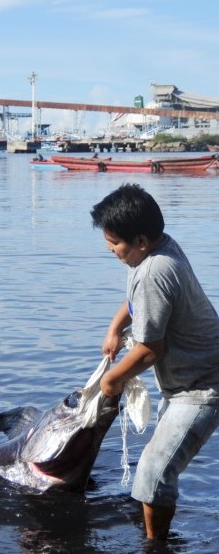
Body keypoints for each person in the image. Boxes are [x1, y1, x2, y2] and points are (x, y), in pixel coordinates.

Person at [91, 183, 219, 541]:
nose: (109, 249)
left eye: (115, 243)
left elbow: (150, 350)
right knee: (157, 467)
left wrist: (111, 381)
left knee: (153, 472)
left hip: (203, 386)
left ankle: (155, 546)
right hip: (186, 381)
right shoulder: (157, 250)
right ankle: (155, 533)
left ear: (142, 241)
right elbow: (137, 303)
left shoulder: (153, 272)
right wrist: (116, 327)